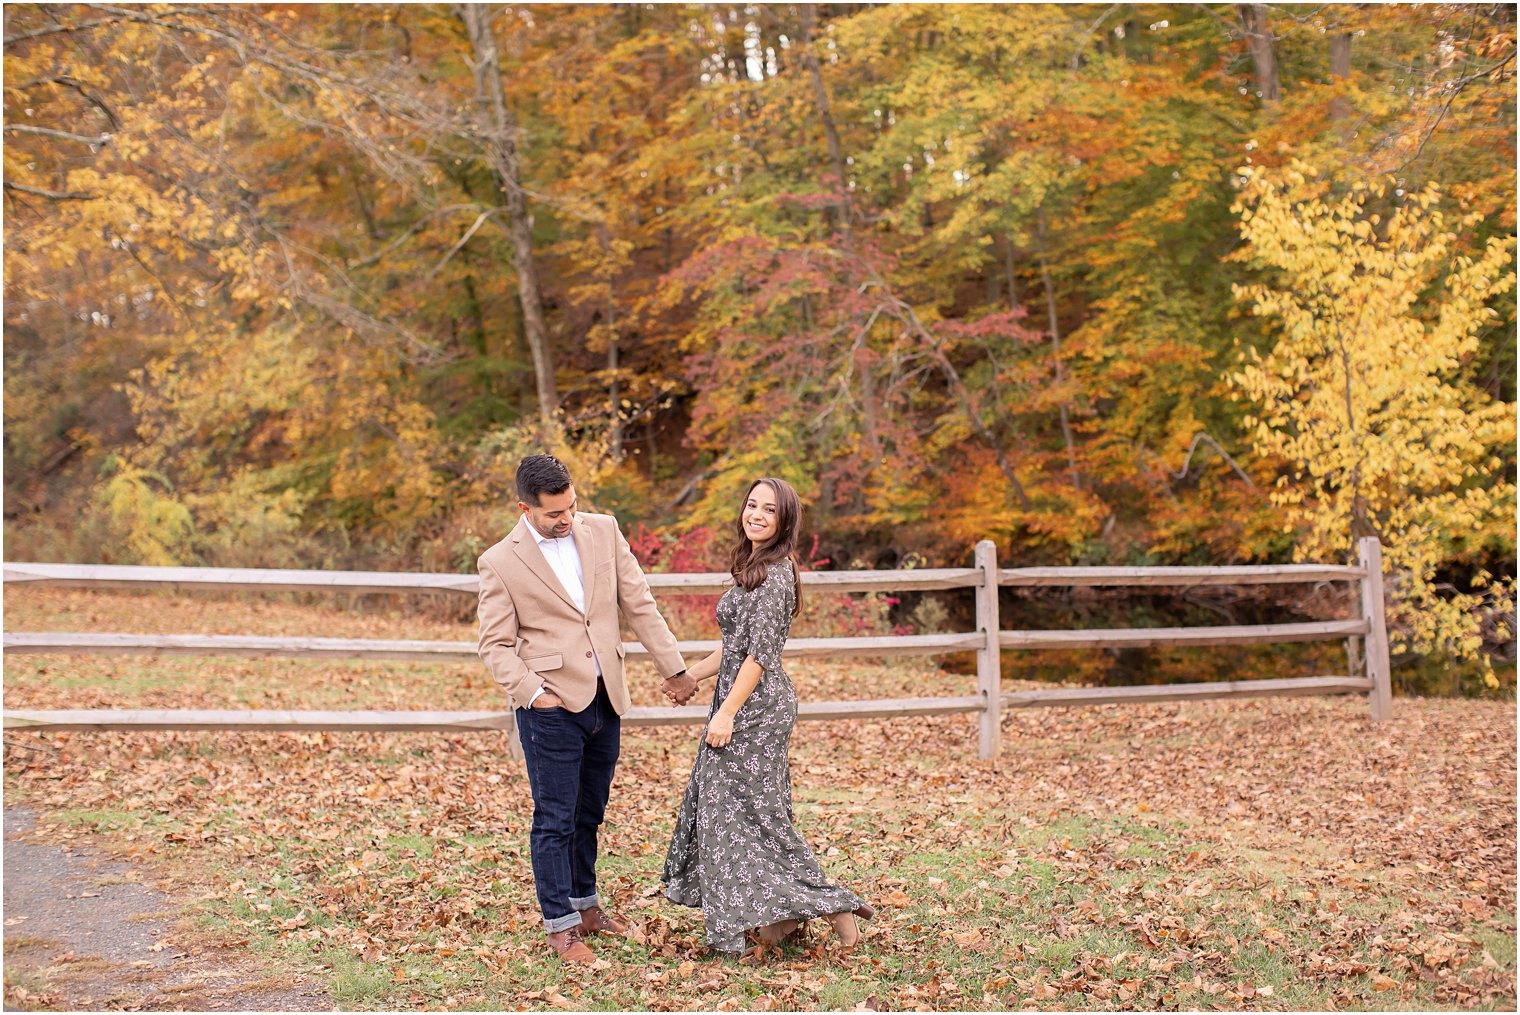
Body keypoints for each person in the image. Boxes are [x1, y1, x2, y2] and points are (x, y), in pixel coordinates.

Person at [476, 453, 699, 965]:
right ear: (524, 507)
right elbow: (495, 645)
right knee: (554, 818)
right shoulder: (499, 561)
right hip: (550, 706)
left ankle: (587, 906)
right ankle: (560, 927)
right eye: (555, 513)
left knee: (589, 813)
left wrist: (675, 669)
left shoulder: (603, 530)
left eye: (572, 506)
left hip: (607, 699)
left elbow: (638, 602)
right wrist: (535, 692)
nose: (567, 519)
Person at [662, 477, 873, 953]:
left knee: (753, 813)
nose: (756, 514)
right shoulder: (753, 567)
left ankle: (833, 907)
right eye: (752, 505)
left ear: (784, 522)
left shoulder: (777, 574)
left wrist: (727, 713)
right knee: (740, 813)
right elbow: (734, 646)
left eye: (769, 510)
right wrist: (690, 677)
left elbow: (758, 657)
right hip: (738, 703)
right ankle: (778, 919)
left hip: (756, 710)